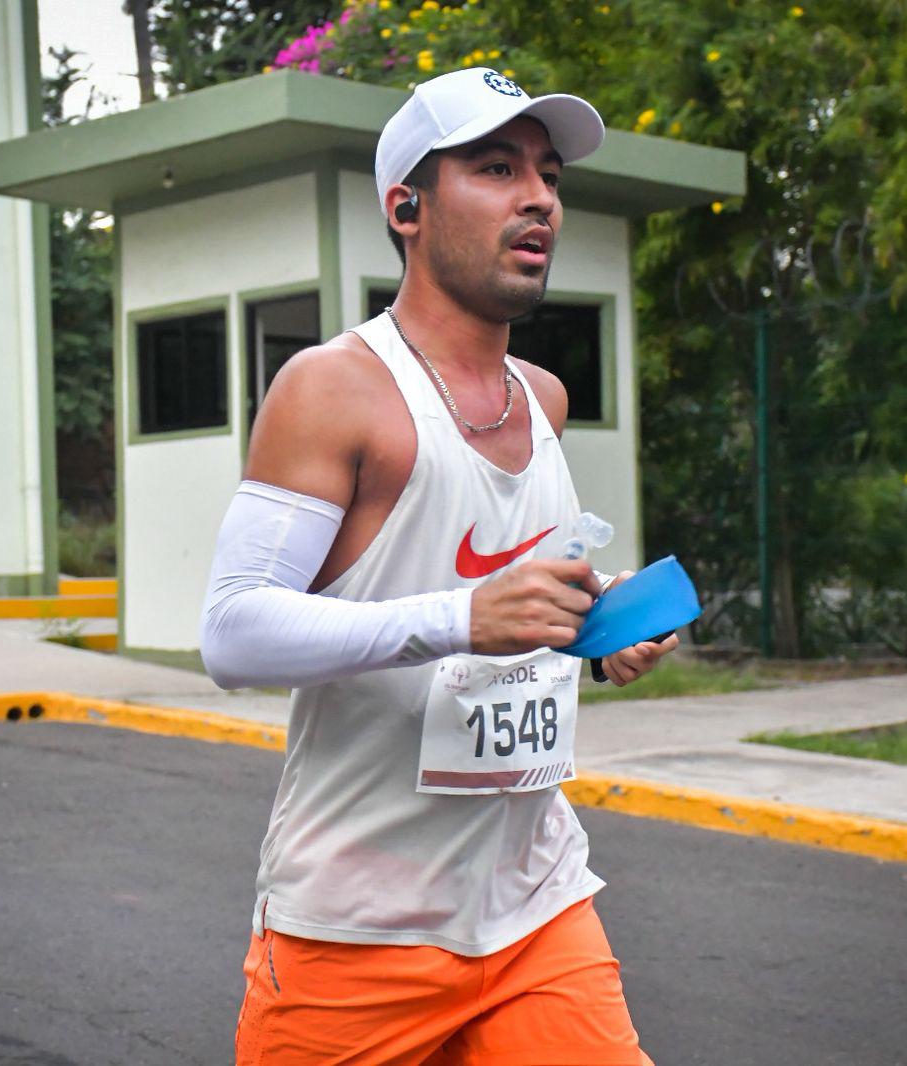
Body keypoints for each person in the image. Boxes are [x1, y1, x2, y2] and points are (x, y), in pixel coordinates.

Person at [201, 65, 678, 1065]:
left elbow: (503, 598)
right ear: (406, 207)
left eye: (548, 175)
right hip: (354, 927)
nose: (539, 196)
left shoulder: (541, 399)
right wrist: (464, 616)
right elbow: (234, 631)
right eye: (496, 167)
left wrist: (593, 631)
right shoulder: (335, 389)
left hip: (533, 905)